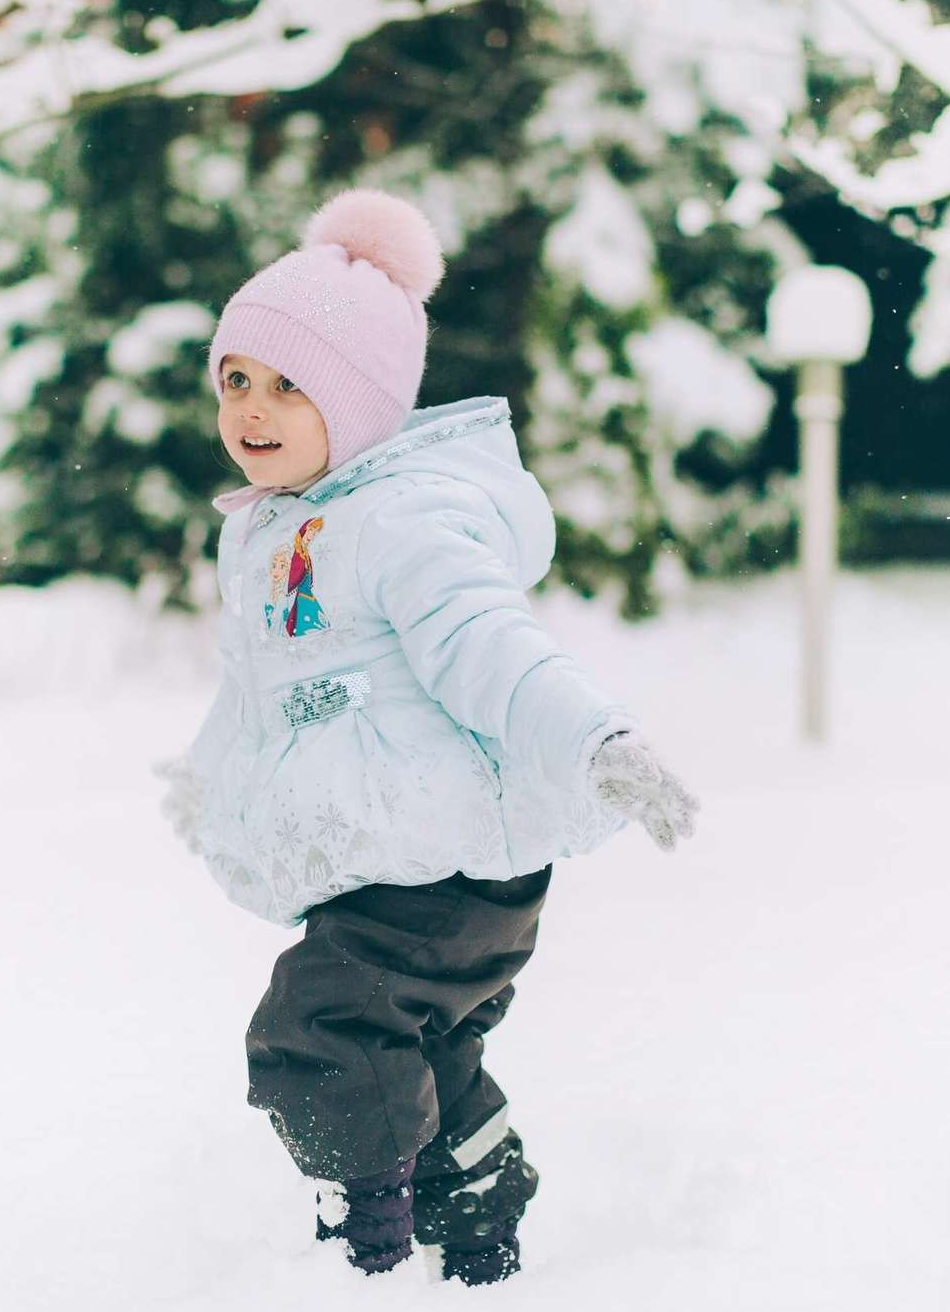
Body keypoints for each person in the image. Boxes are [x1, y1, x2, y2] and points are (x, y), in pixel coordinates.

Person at [156, 187, 699, 1286]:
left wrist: (596, 739)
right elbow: (260, 689)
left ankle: (366, 1257)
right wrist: (210, 777)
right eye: (236, 379)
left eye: (288, 385)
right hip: (393, 866)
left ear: (358, 405)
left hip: (450, 871)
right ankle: (479, 1211)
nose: (251, 409)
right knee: (421, 1052)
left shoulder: (404, 522)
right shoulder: (277, 528)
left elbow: (493, 649)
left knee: (318, 1029)